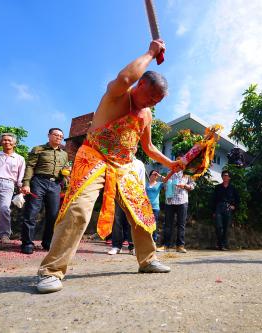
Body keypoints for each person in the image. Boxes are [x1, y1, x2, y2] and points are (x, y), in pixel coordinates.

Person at [36, 40, 179, 293]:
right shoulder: (117, 95)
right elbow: (124, 78)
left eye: (159, 101)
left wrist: (172, 163)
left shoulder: (146, 115)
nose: (153, 103)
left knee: (141, 212)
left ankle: (147, 260)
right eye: (152, 96)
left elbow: (149, 148)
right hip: (94, 156)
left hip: (124, 165)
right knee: (78, 209)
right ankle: (52, 271)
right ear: (141, 84)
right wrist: (151, 52)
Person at [20, 128, 68, 254]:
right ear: (49, 135)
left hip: (55, 185)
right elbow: (30, 166)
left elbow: (64, 171)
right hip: (38, 182)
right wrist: (26, 183)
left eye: (61, 136)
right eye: (56, 135)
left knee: (53, 215)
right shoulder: (38, 149)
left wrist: (66, 178)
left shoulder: (64, 153)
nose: (58, 137)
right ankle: (27, 244)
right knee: (31, 213)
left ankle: (48, 243)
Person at [108, 156, 146, 255]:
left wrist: (142, 196)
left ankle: (132, 246)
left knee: (132, 222)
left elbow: (142, 181)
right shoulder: (118, 161)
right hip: (119, 195)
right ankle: (116, 246)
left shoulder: (139, 163)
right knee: (117, 220)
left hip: (133, 196)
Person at [158, 169, 195, 253]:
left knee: (181, 224)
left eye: (180, 162)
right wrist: (166, 185)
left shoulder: (187, 173)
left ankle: (180, 246)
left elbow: (193, 185)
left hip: (182, 201)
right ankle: (165, 246)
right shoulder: (169, 172)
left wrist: (185, 186)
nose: (178, 165)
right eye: (177, 162)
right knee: (167, 224)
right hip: (170, 201)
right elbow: (164, 185)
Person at [212, 170, 240, 251]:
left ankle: (222, 245)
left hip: (228, 208)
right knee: (219, 226)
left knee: (226, 227)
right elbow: (213, 200)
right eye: (224, 175)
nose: (225, 177)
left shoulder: (233, 188)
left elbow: (238, 199)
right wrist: (213, 211)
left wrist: (234, 206)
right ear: (222, 177)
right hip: (218, 208)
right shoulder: (217, 187)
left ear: (229, 177)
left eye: (227, 175)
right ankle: (220, 244)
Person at [146, 170, 164, 245]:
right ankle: (147, 240)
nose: (155, 176)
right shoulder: (145, 184)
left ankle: (154, 240)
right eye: (153, 174)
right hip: (146, 207)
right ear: (150, 175)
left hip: (155, 207)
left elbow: (167, 180)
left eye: (156, 175)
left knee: (154, 224)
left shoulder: (159, 184)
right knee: (146, 223)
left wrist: (159, 175)